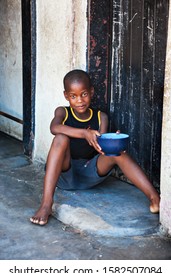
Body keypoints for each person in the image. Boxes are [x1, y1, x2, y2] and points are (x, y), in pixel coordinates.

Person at [30, 69, 160, 226]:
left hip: (88, 173)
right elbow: (54, 128)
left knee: (117, 153)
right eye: (73, 96)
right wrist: (85, 133)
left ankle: (154, 199)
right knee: (61, 138)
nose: (79, 100)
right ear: (66, 96)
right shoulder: (62, 112)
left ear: (91, 92)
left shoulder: (101, 117)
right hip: (65, 174)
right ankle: (46, 204)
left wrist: (112, 142)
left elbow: (101, 149)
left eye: (84, 94)